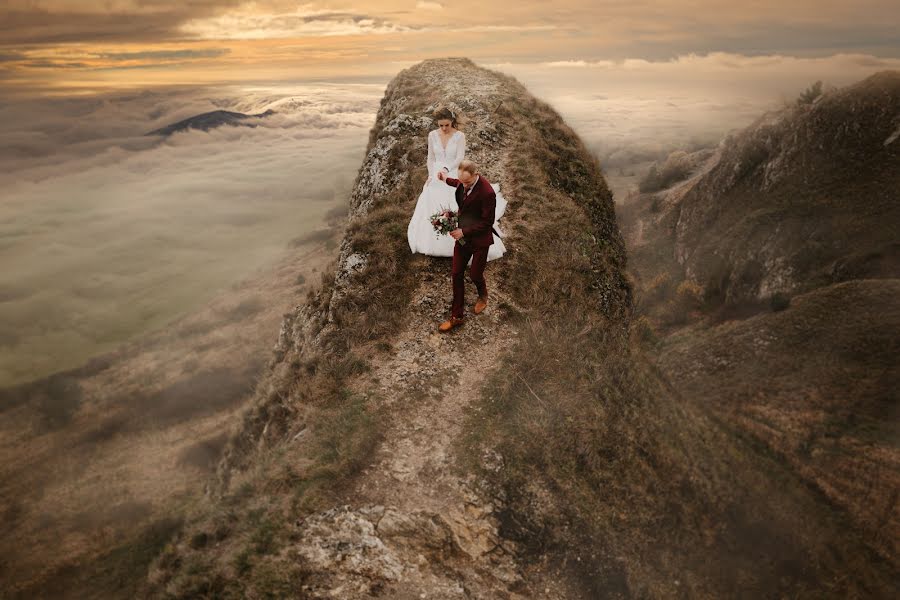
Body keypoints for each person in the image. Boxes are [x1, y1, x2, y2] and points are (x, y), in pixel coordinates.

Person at [407, 107, 506, 261]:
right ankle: (435, 239)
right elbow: (430, 158)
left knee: (458, 204)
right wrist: (430, 175)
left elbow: (460, 157)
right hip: (436, 173)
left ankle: (461, 238)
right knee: (430, 199)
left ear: (452, 121)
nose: (444, 128)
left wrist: (446, 170)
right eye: (441, 125)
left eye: (447, 125)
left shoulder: (459, 136)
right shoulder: (432, 135)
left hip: (452, 172)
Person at [436, 160, 497, 332]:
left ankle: (483, 295)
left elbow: (487, 223)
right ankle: (457, 317)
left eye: (467, 182)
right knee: (456, 274)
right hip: (463, 240)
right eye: (462, 181)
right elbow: (457, 183)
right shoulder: (462, 182)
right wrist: (445, 178)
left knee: (475, 274)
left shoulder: (487, 193)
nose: (464, 185)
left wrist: (464, 232)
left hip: (479, 241)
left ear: (476, 175)